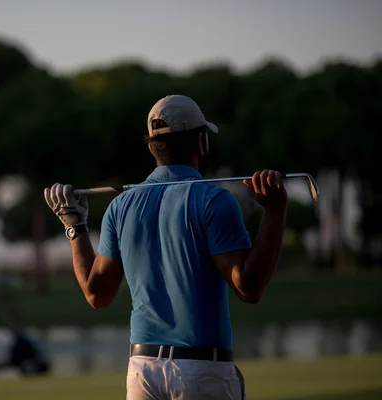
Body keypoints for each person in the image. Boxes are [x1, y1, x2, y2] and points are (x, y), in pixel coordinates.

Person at [44, 94, 288, 399]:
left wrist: (75, 226)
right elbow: (248, 288)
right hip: (201, 370)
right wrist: (275, 212)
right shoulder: (214, 200)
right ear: (201, 142)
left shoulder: (120, 206)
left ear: (152, 147)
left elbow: (97, 294)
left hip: (142, 372)